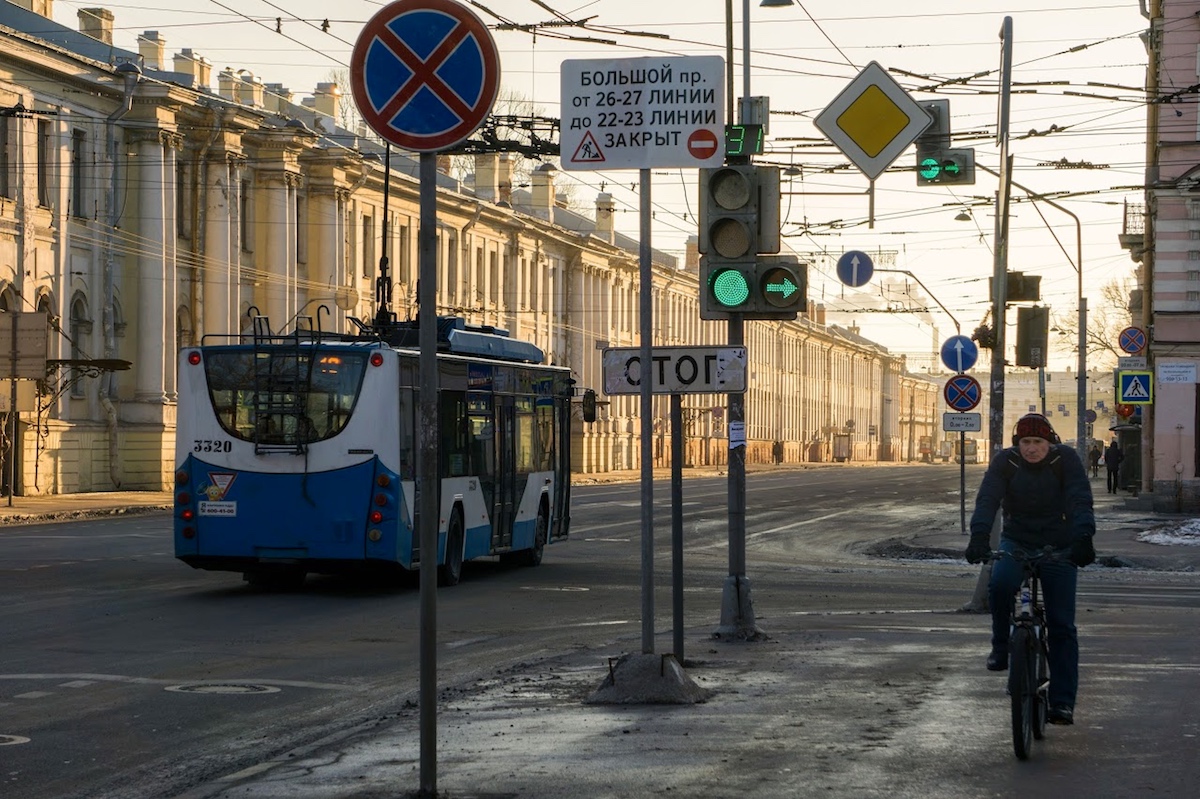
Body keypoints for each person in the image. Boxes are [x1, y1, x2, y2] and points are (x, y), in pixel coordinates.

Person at [965, 413, 1095, 727]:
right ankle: (1001, 647)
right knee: (1000, 584)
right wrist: (979, 536)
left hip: (1059, 546)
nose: (1032, 449)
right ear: (1017, 444)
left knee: (1062, 626)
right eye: (1025, 442)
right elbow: (988, 499)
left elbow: (1080, 499)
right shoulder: (1006, 462)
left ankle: (1062, 702)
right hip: (1017, 540)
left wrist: (1083, 538)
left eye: (1038, 442)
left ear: (1050, 443)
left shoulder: (1065, 460)